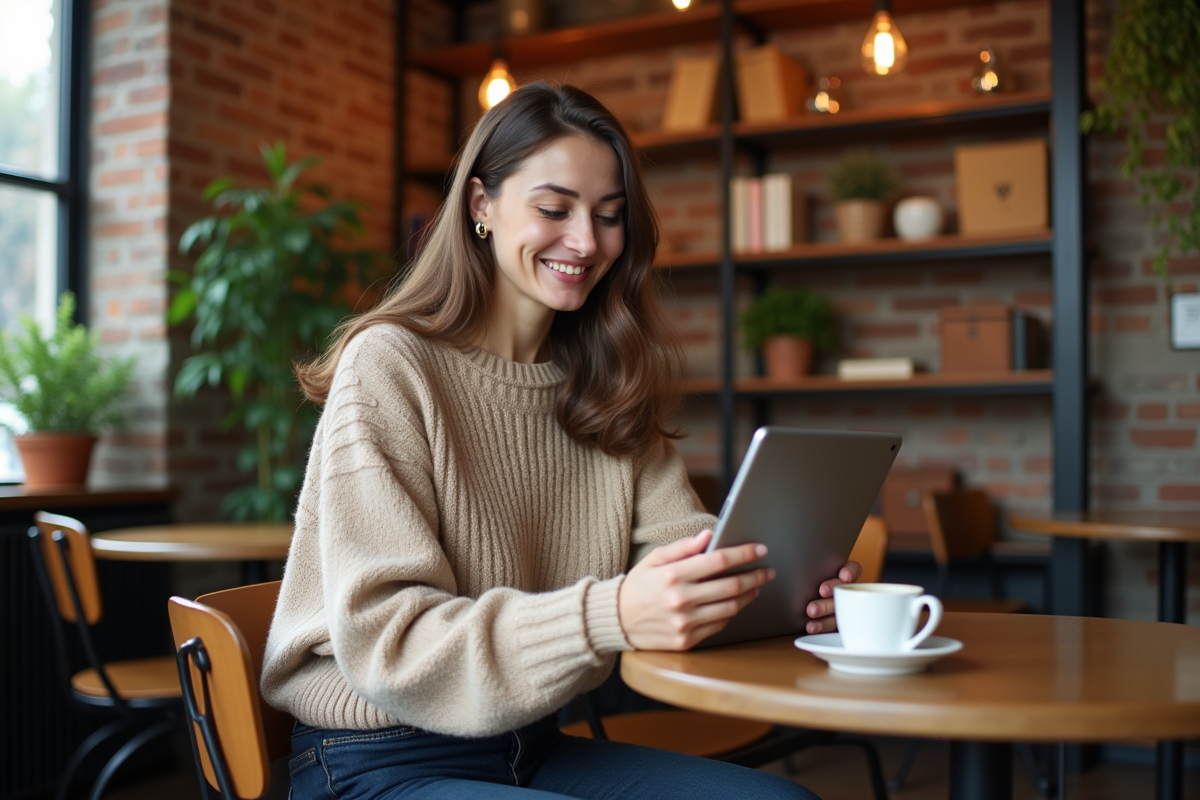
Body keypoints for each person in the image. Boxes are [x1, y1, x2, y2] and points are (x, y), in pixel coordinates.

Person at [261, 82, 860, 800]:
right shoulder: (391, 364)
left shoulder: (605, 381)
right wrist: (612, 613)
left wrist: (773, 585)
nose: (586, 242)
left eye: (609, 216)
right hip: (379, 758)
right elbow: (389, 640)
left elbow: (676, 549)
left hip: (532, 745)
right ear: (481, 205)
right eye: (554, 209)